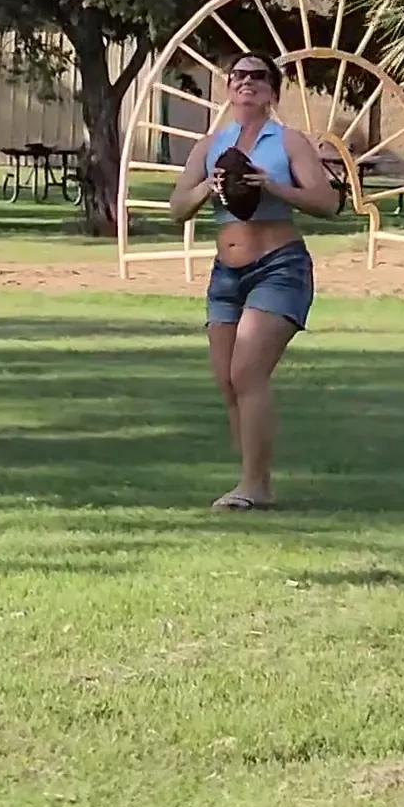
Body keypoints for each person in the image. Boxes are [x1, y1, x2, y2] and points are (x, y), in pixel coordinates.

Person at [169, 52, 340, 510]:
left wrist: (272, 185)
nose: (247, 82)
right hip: (226, 274)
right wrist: (208, 186)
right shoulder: (210, 145)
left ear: (273, 92)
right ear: (228, 87)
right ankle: (251, 482)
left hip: (279, 267)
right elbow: (177, 207)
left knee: (246, 372)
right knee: (228, 381)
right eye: (239, 76)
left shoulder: (288, 142)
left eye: (259, 77)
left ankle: (254, 486)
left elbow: (327, 203)